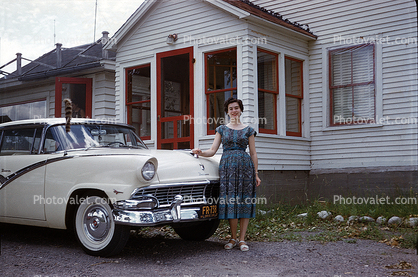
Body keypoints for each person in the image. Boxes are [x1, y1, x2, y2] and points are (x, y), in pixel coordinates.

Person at [192, 97, 261, 252]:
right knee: (231, 202)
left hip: (245, 169)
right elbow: (212, 150)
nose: (234, 111)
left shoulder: (249, 130)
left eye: (236, 108)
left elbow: (254, 153)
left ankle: (242, 239)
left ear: (241, 110)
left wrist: (256, 174)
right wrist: (200, 152)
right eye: (231, 108)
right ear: (227, 112)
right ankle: (233, 238)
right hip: (227, 168)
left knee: (244, 201)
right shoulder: (221, 129)